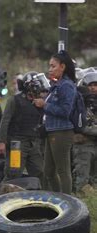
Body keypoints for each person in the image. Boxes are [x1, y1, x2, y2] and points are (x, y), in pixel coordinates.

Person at [33, 50, 77, 194]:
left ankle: (68, 203)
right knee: (48, 171)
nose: (50, 69)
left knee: (62, 170)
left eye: (53, 66)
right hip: (51, 131)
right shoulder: (56, 85)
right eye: (49, 66)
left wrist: (44, 105)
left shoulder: (67, 85)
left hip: (62, 132)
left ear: (62, 67)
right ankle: (58, 199)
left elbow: (65, 111)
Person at [0, 72, 45, 184]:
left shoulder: (40, 103)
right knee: (14, 173)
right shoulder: (14, 101)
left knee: (39, 171)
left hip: (33, 142)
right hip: (16, 143)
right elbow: (5, 121)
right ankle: (4, 196)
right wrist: (1, 141)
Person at [72, 72, 97, 193]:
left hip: (94, 144)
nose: (93, 88)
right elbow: (80, 126)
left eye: (95, 85)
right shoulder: (79, 103)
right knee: (82, 180)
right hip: (84, 145)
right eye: (90, 85)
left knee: (94, 181)